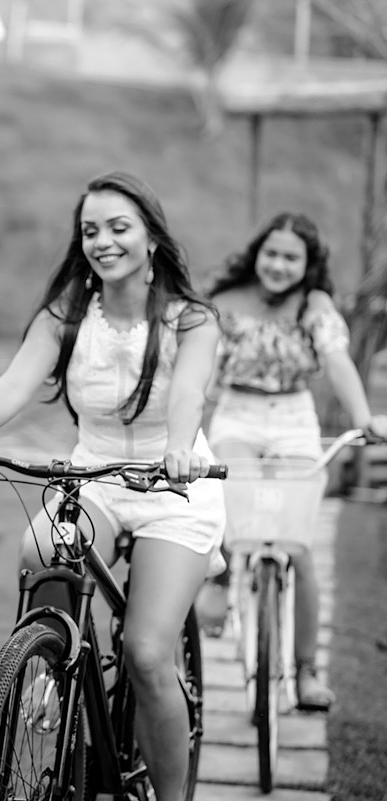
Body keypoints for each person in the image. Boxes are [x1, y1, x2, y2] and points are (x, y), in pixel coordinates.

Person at [0, 172, 225, 801]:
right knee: (39, 551)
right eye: (90, 231)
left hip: (174, 485)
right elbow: (12, 385)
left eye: (118, 228)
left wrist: (176, 447)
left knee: (144, 652)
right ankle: (49, 665)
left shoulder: (191, 320)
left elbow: (188, 392)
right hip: (95, 475)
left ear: (151, 238)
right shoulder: (68, 316)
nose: (103, 242)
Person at [194, 211, 387, 711]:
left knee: (298, 543)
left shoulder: (315, 304)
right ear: (257, 253)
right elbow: (201, 367)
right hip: (237, 413)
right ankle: (221, 571)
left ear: (307, 264)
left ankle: (305, 671)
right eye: (272, 253)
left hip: (294, 417)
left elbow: (337, 359)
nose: (279, 265)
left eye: (291, 257)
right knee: (227, 491)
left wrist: (364, 416)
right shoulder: (226, 301)